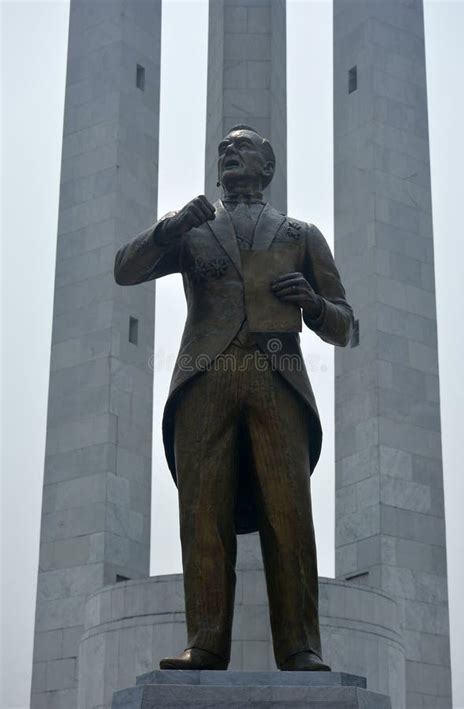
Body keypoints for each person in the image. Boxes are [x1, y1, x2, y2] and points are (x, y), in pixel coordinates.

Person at [114, 125, 353, 672]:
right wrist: (170, 226)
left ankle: (300, 645)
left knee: (289, 515)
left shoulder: (300, 234)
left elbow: (344, 324)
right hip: (205, 381)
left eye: (241, 147)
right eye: (224, 148)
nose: (229, 152)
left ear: (267, 168)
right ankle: (205, 641)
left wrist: (312, 304)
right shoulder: (194, 230)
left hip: (279, 381)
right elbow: (125, 269)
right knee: (203, 513)